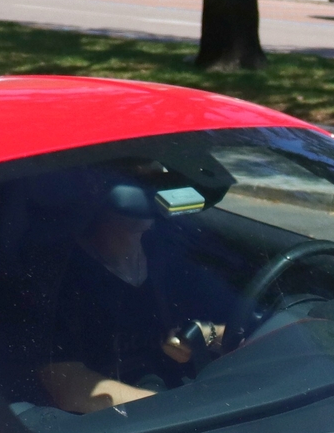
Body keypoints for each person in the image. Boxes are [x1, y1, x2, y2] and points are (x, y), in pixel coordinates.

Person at [33, 178, 227, 415]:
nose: (147, 193)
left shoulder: (169, 254)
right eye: (134, 182)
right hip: (119, 428)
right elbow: (69, 387)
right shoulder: (61, 275)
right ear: (96, 192)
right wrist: (175, 408)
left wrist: (207, 335)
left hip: (196, 403)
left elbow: (243, 328)